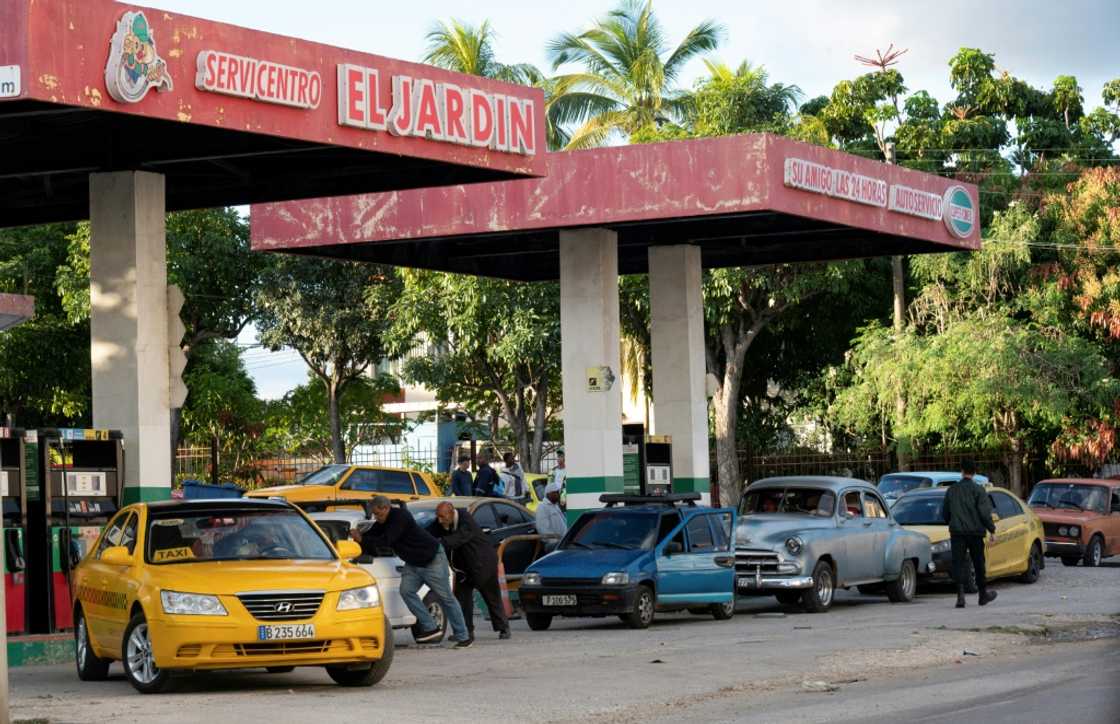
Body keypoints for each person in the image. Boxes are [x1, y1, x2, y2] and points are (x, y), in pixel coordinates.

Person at [351, 496, 473, 648]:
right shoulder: (383, 521)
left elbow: (386, 540)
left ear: (385, 508)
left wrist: (362, 539)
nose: (376, 517)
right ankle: (431, 627)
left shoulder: (400, 517)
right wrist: (358, 538)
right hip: (413, 562)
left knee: (446, 597)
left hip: (431, 559)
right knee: (406, 591)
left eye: (378, 514)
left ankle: (463, 636)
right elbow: (372, 535)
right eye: (375, 515)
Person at [427, 502, 510, 641]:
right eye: (438, 517)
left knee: (491, 596)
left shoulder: (466, 520)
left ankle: (503, 627)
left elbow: (458, 539)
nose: (440, 520)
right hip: (463, 568)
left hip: (483, 564)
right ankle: (465, 632)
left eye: (442, 517)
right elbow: (427, 532)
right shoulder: (441, 522)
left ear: (451, 512)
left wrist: (438, 543)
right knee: (462, 600)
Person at [942, 460, 998, 608]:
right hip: (975, 533)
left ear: (962, 471)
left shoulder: (952, 490)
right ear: (974, 473)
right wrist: (992, 530)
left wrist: (952, 523)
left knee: (958, 564)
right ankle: (982, 595)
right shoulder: (979, 490)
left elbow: (945, 513)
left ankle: (960, 597)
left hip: (957, 533)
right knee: (979, 563)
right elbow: (985, 513)